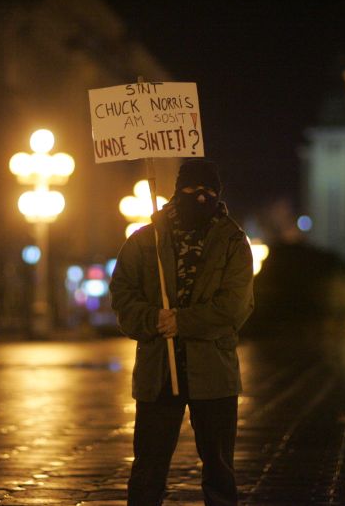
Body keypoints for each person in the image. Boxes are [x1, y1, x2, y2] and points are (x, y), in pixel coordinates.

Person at [110, 159, 254, 506]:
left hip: (214, 374)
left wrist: (182, 322)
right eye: (192, 192)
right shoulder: (147, 240)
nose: (200, 199)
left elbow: (235, 306)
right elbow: (123, 294)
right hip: (159, 371)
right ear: (177, 193)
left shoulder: (232, 241)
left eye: (209, 193)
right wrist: (153, 319)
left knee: (219, 469)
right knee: (148, 468)